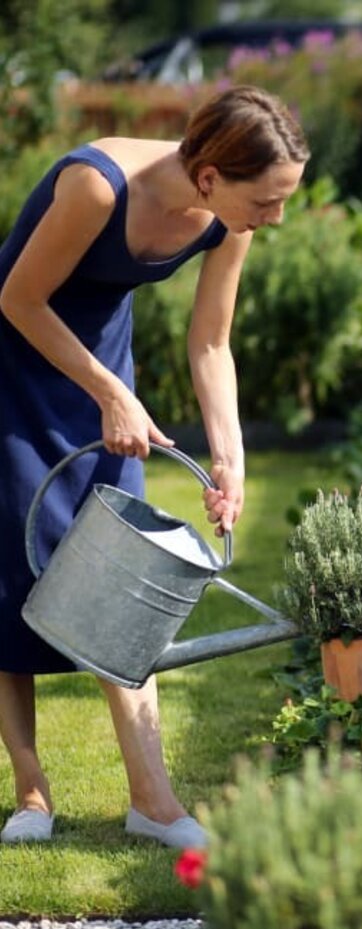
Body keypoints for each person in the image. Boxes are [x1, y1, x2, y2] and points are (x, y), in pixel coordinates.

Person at [0, 85, 309, 848]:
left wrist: (229, 459)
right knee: (11, 568)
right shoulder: (94, 186)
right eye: (267, 201)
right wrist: (112, 393)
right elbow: (18, 298)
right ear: (210, 176)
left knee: (123, 576)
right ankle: (31, 789)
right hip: (15, 365)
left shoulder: (223, 218)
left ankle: (153, 801)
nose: (275, 218)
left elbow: (211, 342)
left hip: (101, 368)